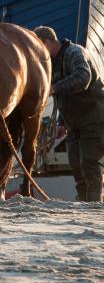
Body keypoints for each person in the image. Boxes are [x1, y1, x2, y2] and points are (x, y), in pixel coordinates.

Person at [34, 26, 104, 202]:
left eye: (38, 48)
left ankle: (94, 205)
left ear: (47, 43)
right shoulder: (54, 62)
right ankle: (84, 202)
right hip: (74, 123)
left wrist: (54, 87)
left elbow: (83, 77)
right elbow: (64, 98)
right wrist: (61, 123)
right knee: (76, 167)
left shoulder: (74, 52)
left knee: (89, 163)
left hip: (94, 117)